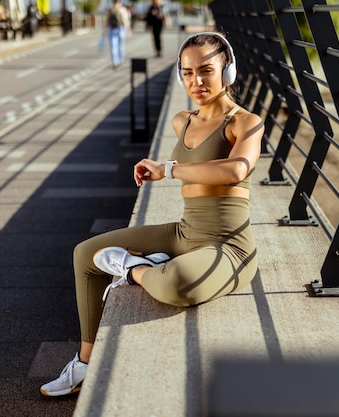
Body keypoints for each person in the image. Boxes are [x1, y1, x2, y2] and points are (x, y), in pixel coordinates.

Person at [40, 32, 264, 397]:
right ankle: (85, 362)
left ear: (229, 71)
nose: (197, 81)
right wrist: (163, 169)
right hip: (185, 232)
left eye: (207, 70)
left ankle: (132, 269)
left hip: (230, 247)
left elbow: (237, 170)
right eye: (188, 72)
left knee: (174, 285)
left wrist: (169, 169)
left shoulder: (246, 122)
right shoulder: (182, 121)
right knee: (84, 254)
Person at [105, 0, 131, 68]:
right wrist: (128, 30)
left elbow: (107, 20)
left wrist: (105, 30)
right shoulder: (122, 9)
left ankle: (115, 61)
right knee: (121, 46)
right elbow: (125, 20)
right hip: (121, 29)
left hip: (112, 29)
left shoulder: (111, 9)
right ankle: (121, 60)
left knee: (113, 46)